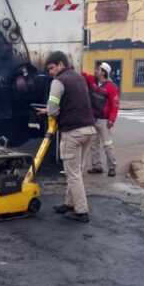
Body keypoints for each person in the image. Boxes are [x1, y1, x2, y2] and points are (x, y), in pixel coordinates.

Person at [35, 51, 96, 223]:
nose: (50, 72)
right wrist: (49, 110)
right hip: (88, 130)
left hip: (73, 132)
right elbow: (73, 102)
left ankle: (81, 211)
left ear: (61, 64)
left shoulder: (58, 81)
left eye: (51, 68)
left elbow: (53, 109)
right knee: (76, 171)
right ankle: (70, 203)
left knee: (72, 173)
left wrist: (49, 111)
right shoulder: (78, 77)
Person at [83, 62, 120, 177]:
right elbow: (83, 75)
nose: (96, 71)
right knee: (94, 144)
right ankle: (96, 166)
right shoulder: (93, 81)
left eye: (98, 69)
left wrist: (111, 120)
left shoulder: (112, 87)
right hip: (93, 119)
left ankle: (112, 167)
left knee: (107, 145)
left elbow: (115, 105)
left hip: (104, 121)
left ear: (104, 72)